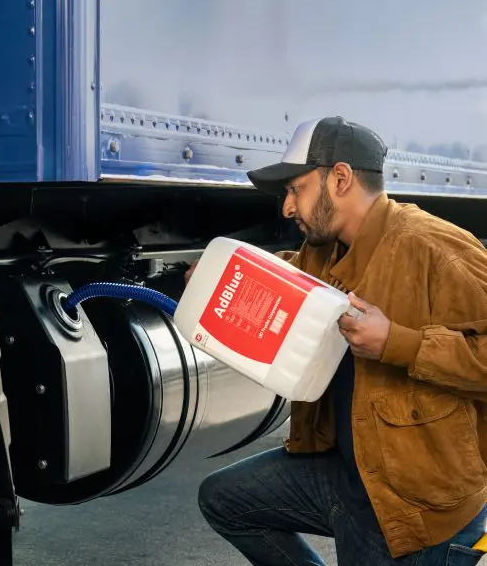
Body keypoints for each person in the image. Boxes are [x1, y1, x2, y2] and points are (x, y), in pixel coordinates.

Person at [190, 116, 487, 565]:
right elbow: (292, 275)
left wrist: (397, 343)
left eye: (297, 189)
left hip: (416, 510)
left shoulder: (434, 249)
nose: (287, 208)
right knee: (225, 500)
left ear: (341, 178)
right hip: (352, 478)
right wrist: (217, 278)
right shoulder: (325, 249)